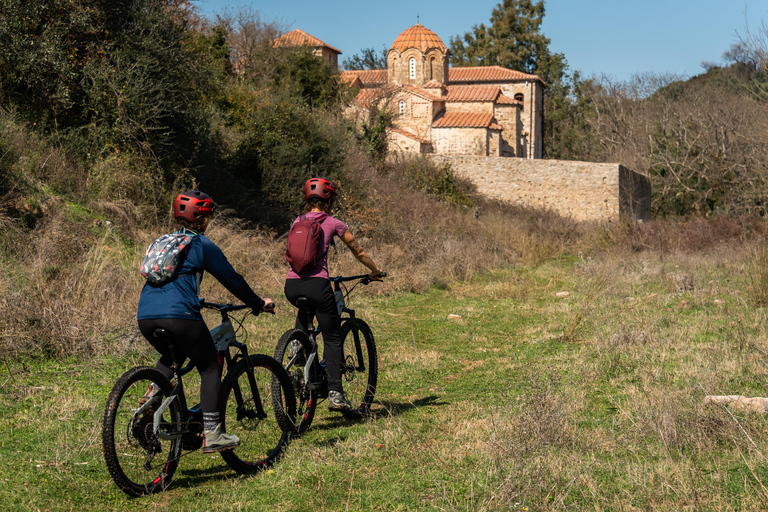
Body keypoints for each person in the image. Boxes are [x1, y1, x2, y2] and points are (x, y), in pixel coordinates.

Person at [137, 190, 275, 453]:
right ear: (202, 217)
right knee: (210, 366)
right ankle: (213, 434)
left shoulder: (162, 242)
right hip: (179, 315)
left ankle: (150, 403)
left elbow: (169, 280)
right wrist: (258, 303)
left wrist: (195, 297)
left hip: (146, 314)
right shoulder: (201, 245)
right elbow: (231, 278)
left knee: (172, 356)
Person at [284, 178, 383, 411]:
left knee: (306, 311)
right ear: (328, 200)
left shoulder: (296, 222)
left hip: (291, 286)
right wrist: (375, 271)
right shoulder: (333, 222)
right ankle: (336, 394)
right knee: (332, 337)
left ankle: (297, 348)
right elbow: (358, 250)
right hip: (318, 285)